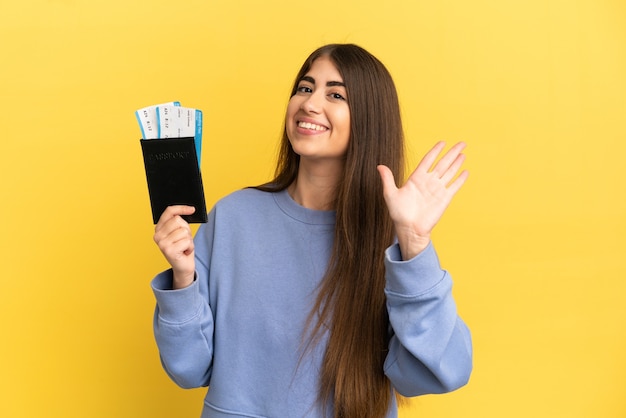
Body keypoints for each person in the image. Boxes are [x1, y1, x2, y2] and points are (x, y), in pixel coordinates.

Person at [151, 43, 472, 418]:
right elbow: (189, 368)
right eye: (305, 88)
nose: (310, 103)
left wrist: (415, 246)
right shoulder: (233, 217)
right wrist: (183, 279)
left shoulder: (391, 239)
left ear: (369, 119)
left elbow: (443, 372)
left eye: (335, 94)